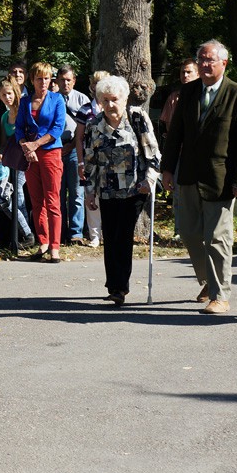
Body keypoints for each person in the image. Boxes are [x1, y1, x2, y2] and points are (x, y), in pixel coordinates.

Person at [162, 39, 237, 314]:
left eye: (209, 60)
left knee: (217, 238)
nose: (203, 65)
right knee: (189, 233)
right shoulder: (188, 92)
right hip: (188, 175)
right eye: (200, 59)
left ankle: (220, 295)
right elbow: (175, 134)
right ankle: (208, 280)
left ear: (223, 63)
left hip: (221, 178)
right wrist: (168, 169)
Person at [83, 75, 161, 305]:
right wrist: (90, 191)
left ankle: (121, 287)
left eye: (114, 99)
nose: (109, 105)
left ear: (125, 98)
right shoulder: (94, 125)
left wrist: (150, 180)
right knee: (111, 236)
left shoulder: (137, 118)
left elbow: (153, 152)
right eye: (104, 100)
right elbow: (90, 161)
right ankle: (114, 286)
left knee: (123, 236)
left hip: (134, 189)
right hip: (107, 190)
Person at [15, 61, 66, 263]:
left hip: (50, 154)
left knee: (53, 201)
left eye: (47, 78)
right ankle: (43, 242)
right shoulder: (25, 101)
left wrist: (35, 145)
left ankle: (55, 247)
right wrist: (26, 147)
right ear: (32, 80)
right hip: (30, 155)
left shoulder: (57, 99)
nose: (43, 82)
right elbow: (19, 128)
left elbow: (57, 128)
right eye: (39, 78)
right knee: (36, 202)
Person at [0, 76, 34, 246]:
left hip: (24, 159)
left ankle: (26, 235)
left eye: (10, 94)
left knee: (18, 195)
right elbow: (4, 142)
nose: (8, 97)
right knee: (8, 198)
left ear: (16, 93)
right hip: (10, 161)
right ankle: (24, 234)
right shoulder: (5, 116)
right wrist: (0, 154)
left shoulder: (23, 111)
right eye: (4, 95)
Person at [74, 70, 109, 247]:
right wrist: (81, 162)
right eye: (96, 84)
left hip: (111, 160)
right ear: (92, 86)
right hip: (90, 160)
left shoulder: (114, 107)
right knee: (91, 196)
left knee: (110, 196)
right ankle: (94, 235)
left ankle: (109, 233)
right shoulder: (85, 109)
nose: (99, 87)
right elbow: (78, 138)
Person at [55, 65, 90, 245]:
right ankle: (59, 232)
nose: (65, 83)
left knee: (77, 193)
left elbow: (85, 127)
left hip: (75, 151)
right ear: (57, 81)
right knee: (58, 194)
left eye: (69, 80)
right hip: (55, 151)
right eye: (62, 80)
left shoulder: (82, 99)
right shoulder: (52, 99)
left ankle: (76, 233)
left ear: (74, 81)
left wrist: (71, 146)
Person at [159, 59, 199, 137]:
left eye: (189, 72)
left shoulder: (204, 95)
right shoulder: (173, 97)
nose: (185, 75)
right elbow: (168, 125)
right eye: (183, 72)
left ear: (198, 74)